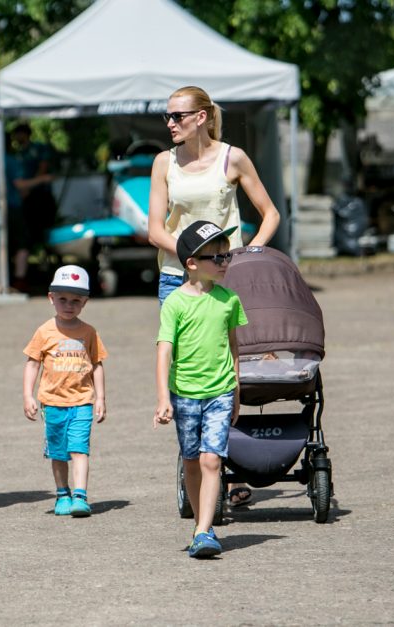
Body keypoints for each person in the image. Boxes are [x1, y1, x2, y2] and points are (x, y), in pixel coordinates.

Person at [148, 85, 279, 507]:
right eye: (167, 117)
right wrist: (196, 257)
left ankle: (220, 467)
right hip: (176, 279)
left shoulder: (232, 158)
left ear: (201, 117)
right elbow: (155, 230)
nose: (170, 123)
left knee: (228, 376)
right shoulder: (163, 162)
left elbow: (270, 214)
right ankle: (198, 469)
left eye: (177, 116)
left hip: (226, 280)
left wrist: (243, 257)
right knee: (186, 380)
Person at [154, 220, 247, 558]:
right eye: (217, 258)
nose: (225, 263)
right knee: (192, 461)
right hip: (184, 393)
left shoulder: (229, 301)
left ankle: (205, 530)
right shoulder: (175, 303)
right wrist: (163, 396)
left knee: (211, 460)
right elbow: (164, 349)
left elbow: (234, 347)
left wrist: (236, 390)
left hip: (220, 390)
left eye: (227, 256)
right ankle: (199, 523)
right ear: (191, 263)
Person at [23, 265, 107, 517]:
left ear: (84, 302)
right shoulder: (44, 331)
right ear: (51, 298)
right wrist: (28, 394)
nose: (68, 305)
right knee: (58, 452)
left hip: (82, 400)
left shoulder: (89, 332)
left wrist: (100, 397)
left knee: (79, 448)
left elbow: (97, 364)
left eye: (75, 300)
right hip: (52, 402)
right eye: (62, 299)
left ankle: (80, 496)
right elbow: (32, 363)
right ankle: (62, 494)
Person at [7, 123, 56, 292]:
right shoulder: (17, 154)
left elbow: (42, 168)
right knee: (23, 237)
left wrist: (33, 185)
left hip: (36, 195)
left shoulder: (37, 149)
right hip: (22, 196)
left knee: (36, 232)